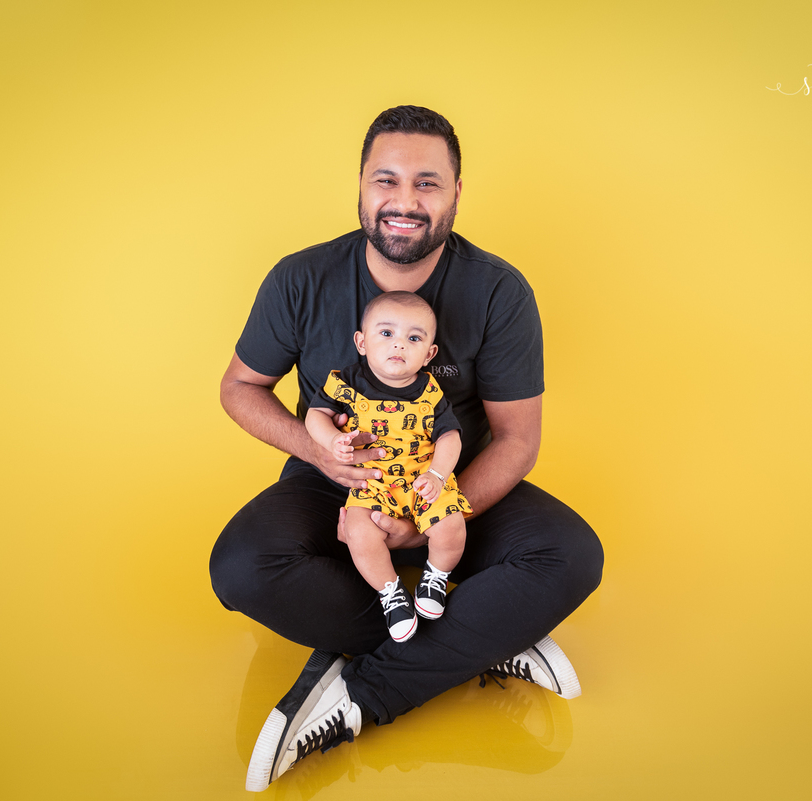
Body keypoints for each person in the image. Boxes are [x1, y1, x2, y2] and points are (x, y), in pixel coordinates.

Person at [210, 105, 604, 793]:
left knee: (572, 555)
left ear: (456, 193)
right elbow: (240, 387)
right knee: (241, 567)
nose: (404, 200)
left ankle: (363, 694)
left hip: (448, 487)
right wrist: (318, 451)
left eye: (427, 183)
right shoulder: (301, 278)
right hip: (335, 484)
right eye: (386, 179)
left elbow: (517, 439)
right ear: (361, 185)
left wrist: (427, 516)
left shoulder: (499, 291)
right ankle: (480, 635)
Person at [306, 291, 473, 643]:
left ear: (429, 354)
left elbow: (450, 437)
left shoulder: (430, 392)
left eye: (413, 338)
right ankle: (390, 593)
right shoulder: (347, 382)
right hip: (373, 484)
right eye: (386, 333)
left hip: (423, 480)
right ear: (361, 342)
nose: (399, 344)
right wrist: (331, 440)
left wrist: (437, 475)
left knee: (452, 527)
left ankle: (436, 576)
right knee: (358, 533)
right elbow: (316, 414)